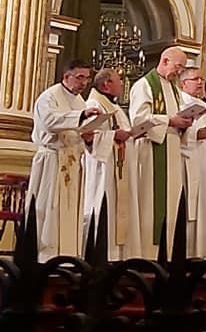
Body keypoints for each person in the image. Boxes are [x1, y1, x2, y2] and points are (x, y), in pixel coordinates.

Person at [27, 60, 101, 261]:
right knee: (49, 206)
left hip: (72, 160)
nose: (84, 82)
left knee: (70, 208)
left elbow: (78, 128)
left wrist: (87, 136)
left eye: (87, 78)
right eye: (80, 77)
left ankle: (68, 254)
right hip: (52, 159)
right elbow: (51, 122)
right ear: (66, 76)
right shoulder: (49, 97)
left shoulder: (79, 101)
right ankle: (45, 254)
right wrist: (81, 116)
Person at [129, 47, 193, 258]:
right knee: (152, 204)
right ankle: (148, 254)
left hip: (172, 151)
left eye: (182, 68)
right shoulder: (145, 85)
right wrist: (169, 120)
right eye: (178, 66)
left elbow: (175, 119)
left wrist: (184, 123)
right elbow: (139, 120)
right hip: (151, 152)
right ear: (165, 60)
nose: (179, 72)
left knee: (172, 204)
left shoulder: (174, 89)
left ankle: (168, 252)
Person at [83, 68, 141, 260]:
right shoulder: (93, 104)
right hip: (103, 169)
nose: (123, 84)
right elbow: (88, 136)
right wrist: (115, 135)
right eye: (119, 81)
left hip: (119, 165)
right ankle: (99, 253)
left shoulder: (113, 107)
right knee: (102, 204)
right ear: (106, 84)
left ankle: (118, 255)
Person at [179, 68, 206, 258]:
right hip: (188, 159)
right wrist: (197, 134)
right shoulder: (178, 101)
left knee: (204, 204)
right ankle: (186, 250)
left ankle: (201, 251)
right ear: (183, 83)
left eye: (201, 79)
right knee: (189, 204)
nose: (199, 82)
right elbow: (181, 133)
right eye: (195, 79)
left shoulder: (205, 107)